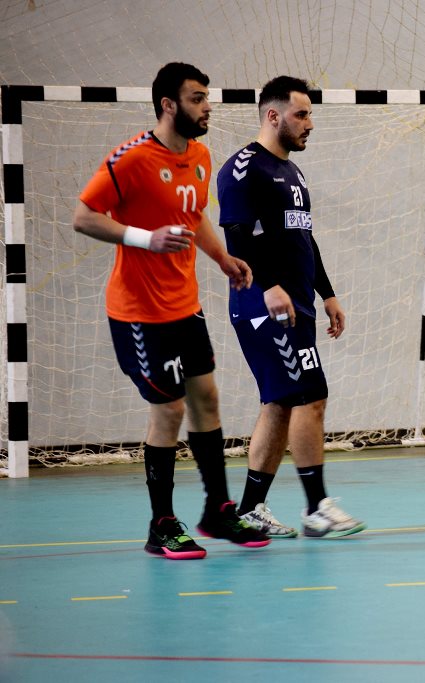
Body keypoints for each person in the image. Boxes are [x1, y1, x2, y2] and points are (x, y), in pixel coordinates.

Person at [73, 62, 270, 559]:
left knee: (207, 400)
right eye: (198, 99)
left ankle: (216, 511)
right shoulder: (132, 159)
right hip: (138, 311)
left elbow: (193, 214)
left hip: (185, 305)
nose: (208, 108)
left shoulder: (200, 156)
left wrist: (223, 257)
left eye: (208, 99)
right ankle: (161, 524)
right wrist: (146, 238)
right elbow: (84, 216)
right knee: (170, 407)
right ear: (169, 105)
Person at [217, 75, 365, 539]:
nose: (310, 123)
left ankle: (251, 509)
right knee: (311, 396)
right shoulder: (244, 167)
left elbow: (304, 238)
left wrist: (328, 293)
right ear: (273, 115)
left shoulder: (293, 172)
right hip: (264, 307)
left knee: (280, 402)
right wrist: (267, 286)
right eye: (302, 114)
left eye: (311, 114)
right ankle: (316, 508)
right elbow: (236, 237)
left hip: (294, 305)